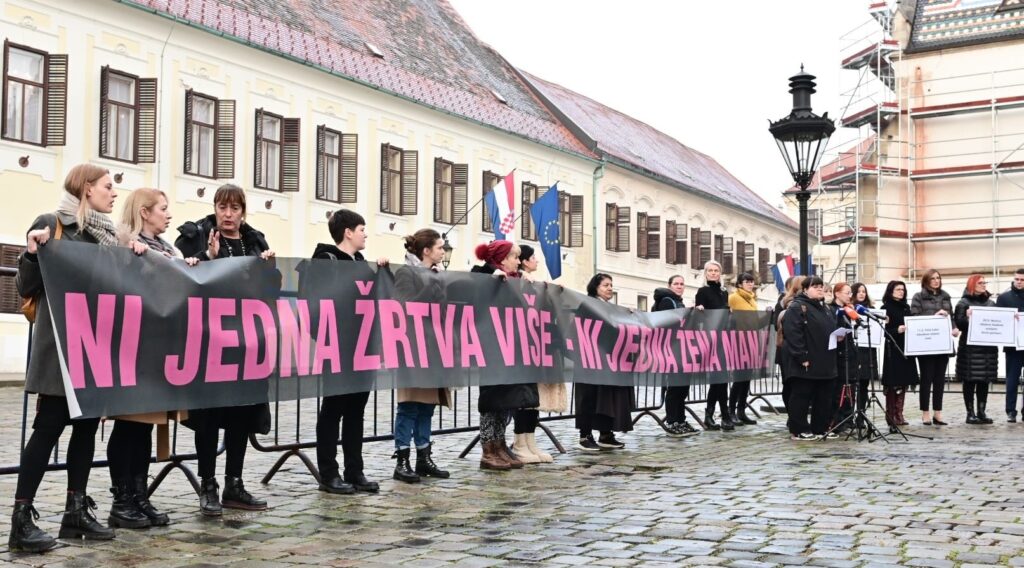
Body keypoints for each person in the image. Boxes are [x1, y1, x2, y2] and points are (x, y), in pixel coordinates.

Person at [11, 164, 148, 551]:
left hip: (95, 346)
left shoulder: (109, 236)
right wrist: (32, 252)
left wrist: (134, 256)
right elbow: (26, 286)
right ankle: (21, 519)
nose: (114, 193)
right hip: (60, 348)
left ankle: (75, 511)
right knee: (49, 428)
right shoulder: (52, 223)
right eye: (108, 186)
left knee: (86, 428)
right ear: (87, 189)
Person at [175, 183, 274, 516]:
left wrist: (268, 269)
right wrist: (207, 259)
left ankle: (234, 483)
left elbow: (268, 291)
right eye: (223, 207)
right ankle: (208, 485)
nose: (228, 215)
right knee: (208, 416)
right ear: (215, 208)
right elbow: (180, 278)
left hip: (246, 341)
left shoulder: (255, 241)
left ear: (243, 211)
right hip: (209, 340)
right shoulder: (196, 237)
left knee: (241, 415)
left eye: (234, 208)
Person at [106, 188, 194, 530]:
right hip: (132, 348)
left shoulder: (167, 249)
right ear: (145, 212)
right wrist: (134, 260)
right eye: (162, 208)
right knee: (128, 425)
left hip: (158, 349)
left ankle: (140, 497)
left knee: (144, 428)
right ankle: (122, 499)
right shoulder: (123, 243)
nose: (168, 215)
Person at [310, 210, 386, 494]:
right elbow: (315, 304)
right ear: (348, 232)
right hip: (338, 347)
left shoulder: (362, 264)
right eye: (362, 228)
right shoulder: (326, 260)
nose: (366, 234)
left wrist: (382, 275)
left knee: (356, 410)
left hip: (363, 347)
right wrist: (327, 338)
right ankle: (328, 473)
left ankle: (355, 470)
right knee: (333, 410)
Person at [472, 241, 539, 469]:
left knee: (505, 400)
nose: (518, 261)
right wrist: (493, 274)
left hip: (510, 348)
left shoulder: (515, 280)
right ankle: (488, 449)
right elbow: (476, 280)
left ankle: (500, 446)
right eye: (514, 256)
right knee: (491, 400)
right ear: (501, 258)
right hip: (491, 347)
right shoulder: (484, 275)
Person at [391, 228, 452, 482]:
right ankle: (402, 459)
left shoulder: (436, 274)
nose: (442, 251)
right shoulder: (406, 272)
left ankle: (423, 457)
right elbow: (405, 305)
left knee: (427, 406)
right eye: (439, 247)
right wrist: (430, 286)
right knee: (409, 406)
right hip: (412, 347)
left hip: (433, 346)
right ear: (426, 250)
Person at [510, 245, 565, 462]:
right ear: (523, 261)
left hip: (536, 347)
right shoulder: (517, 282)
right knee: (523, 398)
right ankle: (519, 443)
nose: (537, 261)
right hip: (521, 348)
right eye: (533, 257)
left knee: (533, 398)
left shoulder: (534, 285)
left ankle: (529, 442)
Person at [575, 273, 634, 451]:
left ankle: (606, 434)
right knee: (589, 398)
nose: (610, 288)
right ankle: (585, 436)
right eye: (605, 285)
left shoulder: (610, 308)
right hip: (590, 360)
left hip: (609, 361)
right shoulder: (587, 306)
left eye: (611, 285)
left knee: (607, 398)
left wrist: (628, 317)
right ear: (595, 287)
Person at [781, 276, 837, 440]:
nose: (819, 289)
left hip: (824, 360)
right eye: (815, 286)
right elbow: (793, 333)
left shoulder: (824, 308)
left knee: (823, 396)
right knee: (801, 396)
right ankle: (799, 429)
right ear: (805, 289)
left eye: (821, 286)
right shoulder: (797, 307)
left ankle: (820, 427)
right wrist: (801, 356)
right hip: (805, 360)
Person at [911, 269, 958, 426]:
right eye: (933, 278)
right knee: (926, 379)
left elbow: (950, 316)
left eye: (938, 278)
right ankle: (925, 412)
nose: (936, 281)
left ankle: (938, 412)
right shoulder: (918, 297)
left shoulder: (945, 296)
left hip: (943, 344)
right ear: (926, 280)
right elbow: (914, 318)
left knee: (939, 380)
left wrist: (954, 327)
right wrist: (934, 317)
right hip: (926, 343)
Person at [655, 275, 700, 437]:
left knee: (682, 389)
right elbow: (669, 323)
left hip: (682, 349)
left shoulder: (679, 302)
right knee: (674, 389)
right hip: (672, 350)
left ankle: (681, 420)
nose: (679, 286)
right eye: (676, 284)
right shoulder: (667, 301)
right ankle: (673, 421)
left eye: (682, 284)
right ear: (669, 285)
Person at [954, 274, 998, 425]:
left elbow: (997, 322)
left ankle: (981, 411)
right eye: (980, 283)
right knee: (970, 380)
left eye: (985, 282)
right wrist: (967, 318)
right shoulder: (963, 303)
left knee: (984, 381)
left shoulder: (991, 303)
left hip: (988, 349)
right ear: (972, 284)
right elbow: (960, 325)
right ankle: (970, 413)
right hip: (970, 349)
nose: (984, 285)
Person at [695, 260, 733, 431]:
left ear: (720, 273)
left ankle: (715, 415)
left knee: (721, 379)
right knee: (718, 378)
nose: (713, 273)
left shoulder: (724, 292)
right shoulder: (703, 291)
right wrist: (700, 309)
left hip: (723, 338)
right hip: (711, 339)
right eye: (710, 270)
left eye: (716, 270)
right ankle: (721, 414)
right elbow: (699, 314)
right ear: (705, 273)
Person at [880, 281, 918, 432]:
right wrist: (897, 330)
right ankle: (891, 415)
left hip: (906, 348)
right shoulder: (885, 308)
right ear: (890, 291)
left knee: (903, 382)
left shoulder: (906, 307)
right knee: (893, 382)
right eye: (898, 289)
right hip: (893, 349)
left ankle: (899, 413)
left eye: (903, 289)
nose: (901, 292)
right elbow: (883, 331)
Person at [727, 272, 759, 426]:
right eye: (747, 281)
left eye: (751, 281)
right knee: (739, 378)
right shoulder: (734, 297)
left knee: (746, 378)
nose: (750, 284)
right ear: (739, 283)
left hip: (751, 340)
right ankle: (731, 410)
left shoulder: (752, 298)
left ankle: (741, 410)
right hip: (739, 340)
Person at [828, 282, 859, 433]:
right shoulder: (832, 310)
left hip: (849, 350)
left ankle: (848, 417)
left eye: (850, 293)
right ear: (837, 294)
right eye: (847, 292)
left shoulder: (848, 310)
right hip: (838, 353)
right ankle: (837, 419)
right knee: (839, 387)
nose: (850, 296)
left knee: (850, 385)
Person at [996, 268, 1024, 422]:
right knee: (1012, 380)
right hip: (1013, 347)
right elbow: (998, 320)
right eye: (1017, 279)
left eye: (1022, 280)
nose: (1019, 282)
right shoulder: (1004, 298)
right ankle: (1010, 411)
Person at [849, 282, 877, 427]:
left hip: (868, 352)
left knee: (864, 385)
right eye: (859, 291)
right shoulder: (848, 309)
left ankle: (861, 416)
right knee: (853, 385)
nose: (861, 294)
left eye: (864, 291)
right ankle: (849, 416)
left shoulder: (870, 310)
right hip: (854, 350)